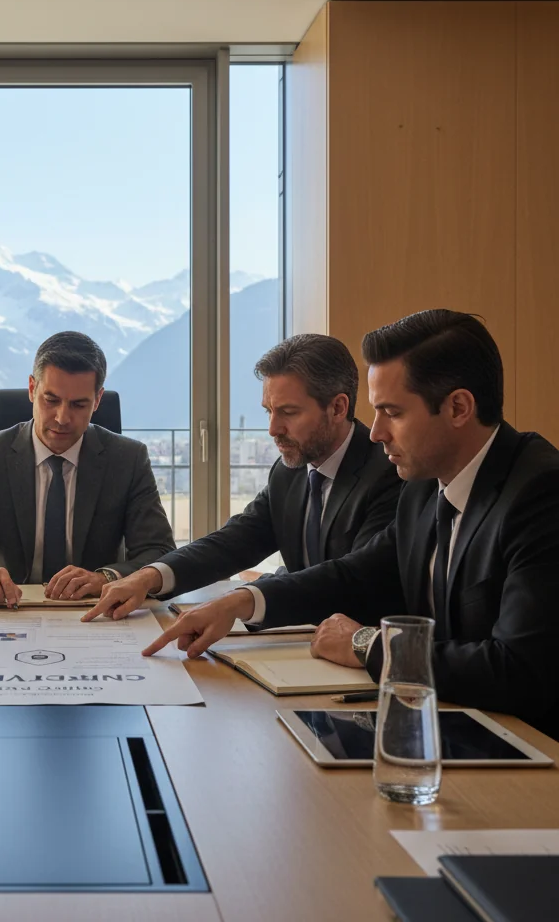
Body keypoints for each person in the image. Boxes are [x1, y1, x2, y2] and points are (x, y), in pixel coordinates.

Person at [135, 311, 559, 740]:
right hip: (448, 720)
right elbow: (355, 574)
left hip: (529, 749)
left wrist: (368, 646)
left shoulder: (541, 492)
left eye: (392, 412)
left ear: (458, 407)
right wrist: (241, 602)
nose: (375, 433)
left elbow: (520, 669)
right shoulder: (425, 486)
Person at [85, 334, 401, 619]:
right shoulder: (288, 472)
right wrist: (150, 576)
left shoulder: (388, 472)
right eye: (268, 411)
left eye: (288, 413)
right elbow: (235, 542)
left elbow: (352, 580)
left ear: (337, 407)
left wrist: (246, 599)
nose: (273, 429)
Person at [0, 331, 176, 605]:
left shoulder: (128, 459)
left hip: (96, 610)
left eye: (79, 404)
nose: (62, 418)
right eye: (51, 400)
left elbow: (160, 551)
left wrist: (106, 578)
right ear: (32, 389)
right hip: (7, 611)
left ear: (98, 400)